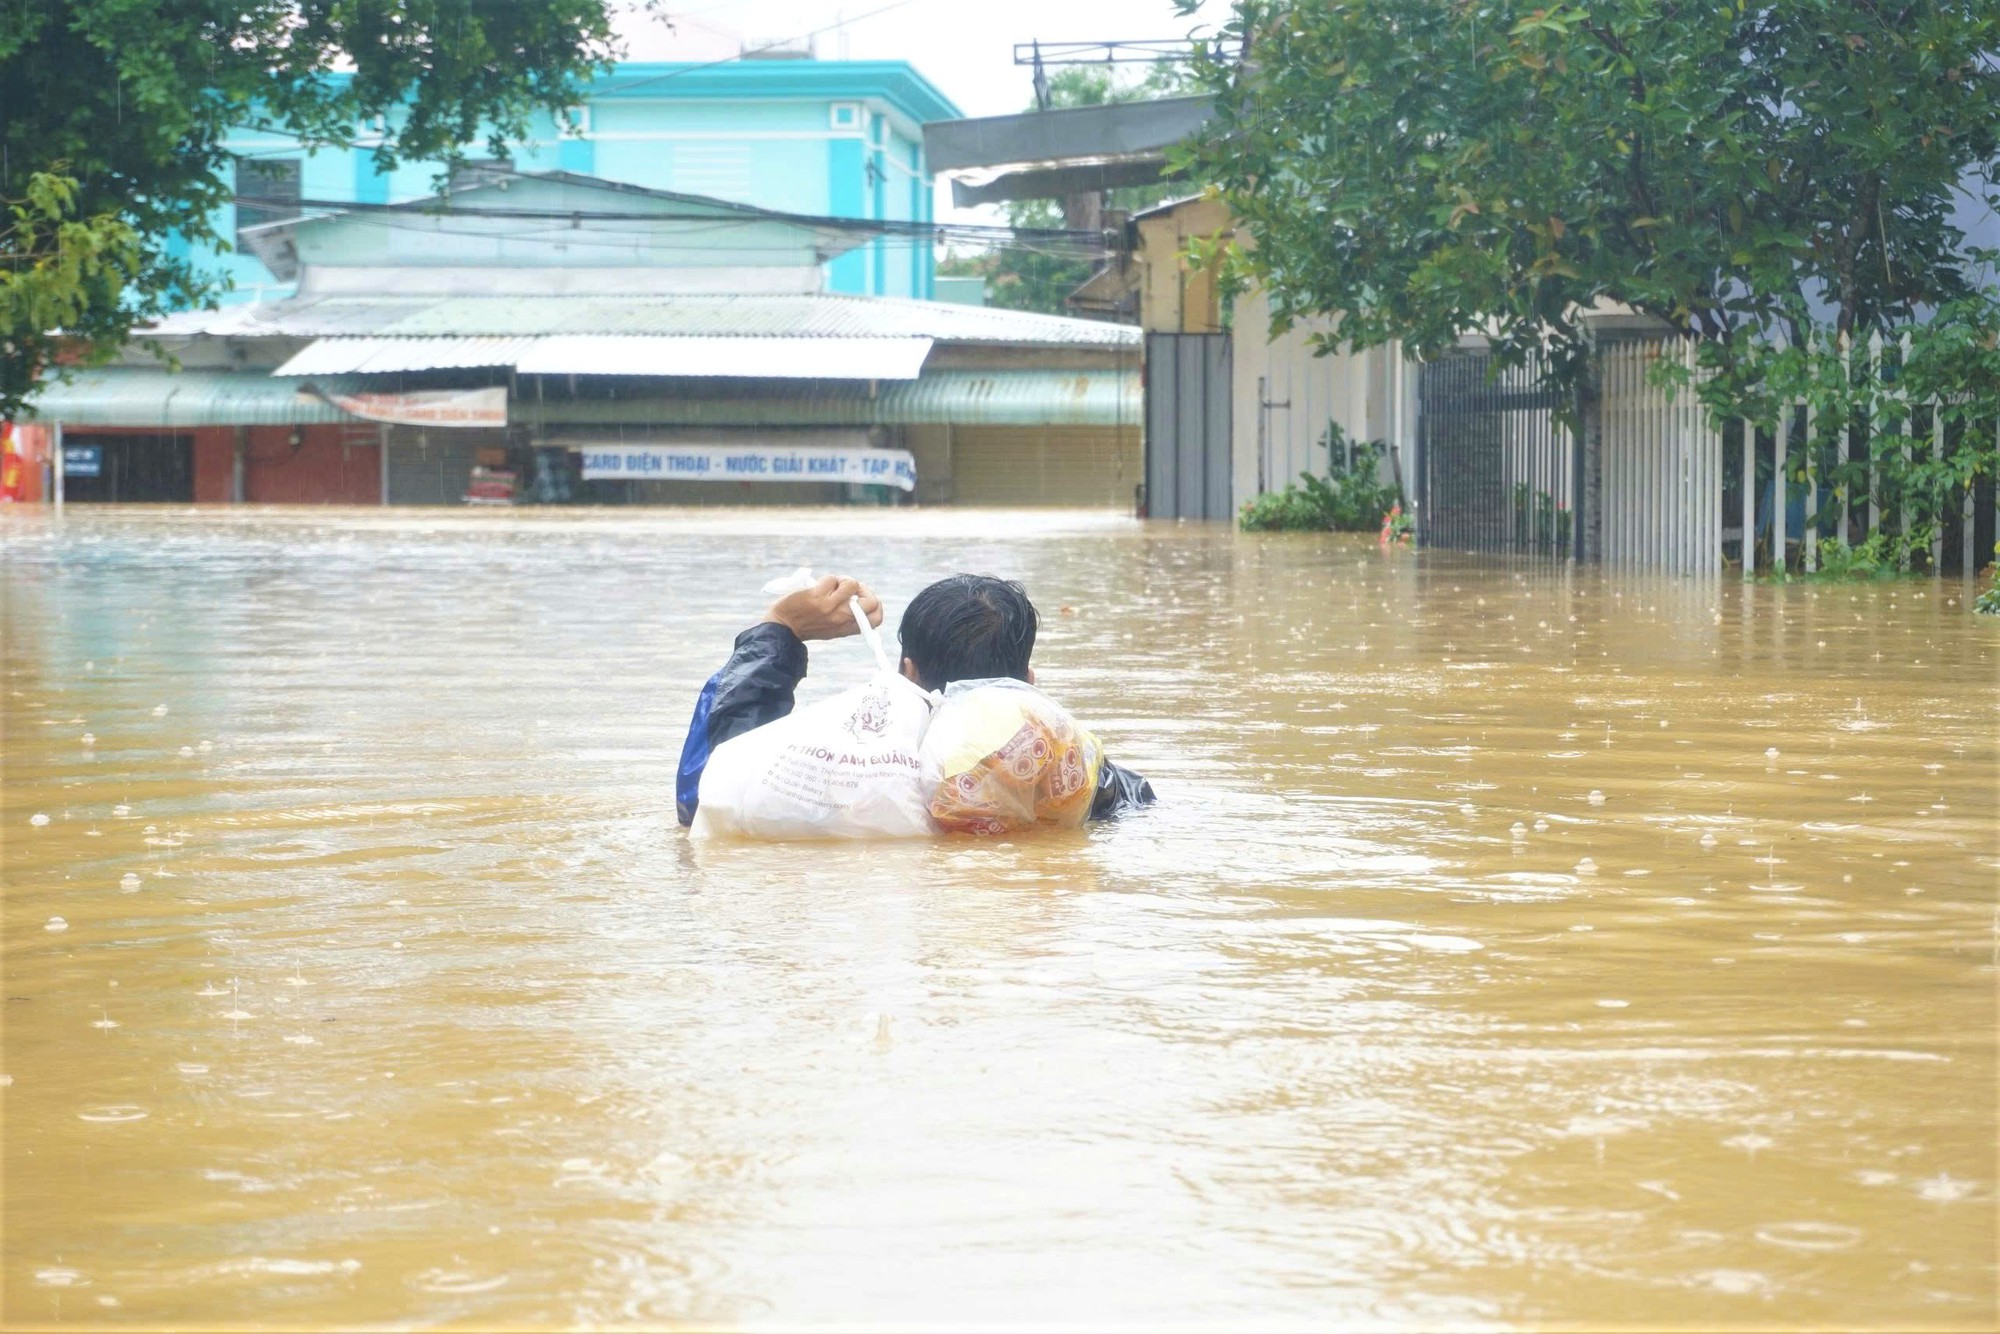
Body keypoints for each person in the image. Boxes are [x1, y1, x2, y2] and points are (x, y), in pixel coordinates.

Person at [677, 573, 1154, 827]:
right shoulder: (1083, 785)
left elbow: (710, 793)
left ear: (907, 675)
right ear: (1027, 682)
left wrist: (779, 628)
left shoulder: (856, 784)